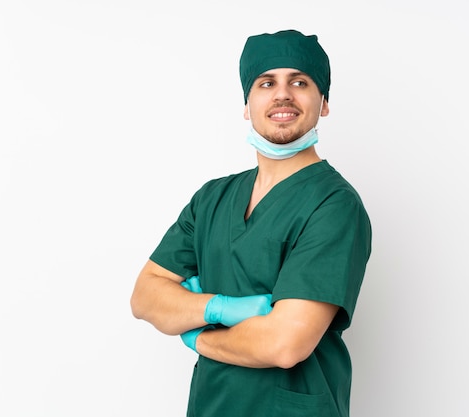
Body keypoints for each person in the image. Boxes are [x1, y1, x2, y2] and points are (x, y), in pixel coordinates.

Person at [130, 29, 372, 417]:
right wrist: (220, 308)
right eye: (266, 82)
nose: (282, 94)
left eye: (300, 82)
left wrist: (198, 335)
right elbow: (145, 297)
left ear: (323, 102)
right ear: (247, 103)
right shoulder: (212, 198)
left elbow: (284, 343)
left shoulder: (334, 205)